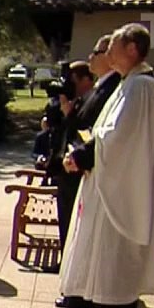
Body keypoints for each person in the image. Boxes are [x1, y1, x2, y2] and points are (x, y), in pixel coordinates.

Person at [58, 23, 154, 308]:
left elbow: (117, 139)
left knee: (107, 254)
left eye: (113, 46)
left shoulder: (143, 88)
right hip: (102, 183)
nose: (107, 53)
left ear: (132, 49)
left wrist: (82, 156)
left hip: (117, 190)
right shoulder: (127, 84)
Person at [48, 40, 122, 295]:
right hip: (71, 166)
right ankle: (68, 273)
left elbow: (94, 132)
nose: (91, 56)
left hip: (85, 169)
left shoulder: (114, 89)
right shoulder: (97, 90)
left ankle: (77, 285)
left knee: (76, 227)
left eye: (97, 52)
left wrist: (79, 156)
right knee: (68, 223)